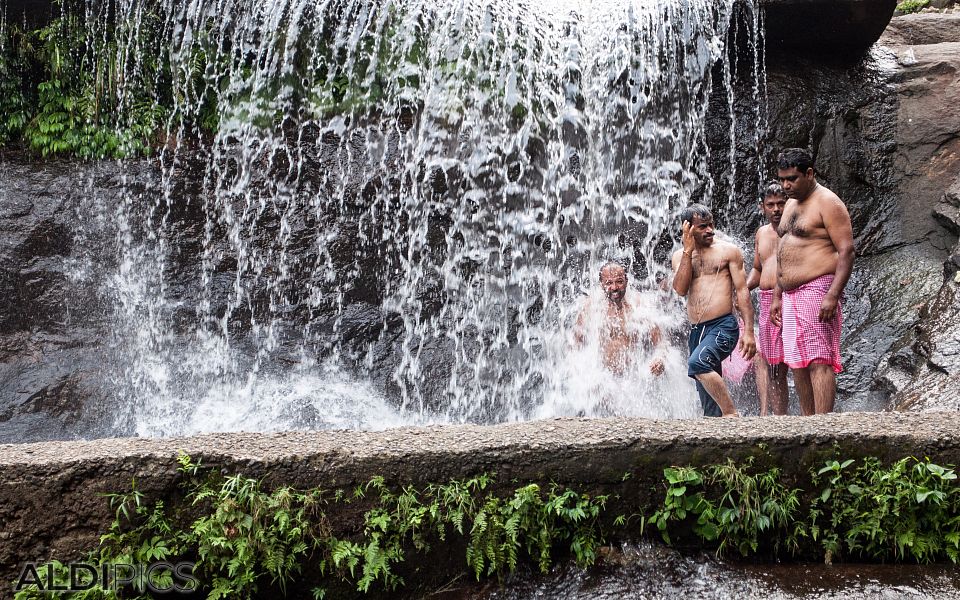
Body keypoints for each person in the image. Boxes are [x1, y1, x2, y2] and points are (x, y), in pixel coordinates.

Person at [770, 148, 855, 415]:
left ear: (809, 173)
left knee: (819, 359)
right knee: (796, 361)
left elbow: (846, 251)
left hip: (817, 288)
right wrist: (776, 296)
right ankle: (808, 425)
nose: (786, 185)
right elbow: (782, 252)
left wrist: (832, 295)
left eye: (792, 179)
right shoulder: (791, 203)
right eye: (782, 179)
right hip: (790, 294)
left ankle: (824, 425)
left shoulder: (828, 202)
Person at [671, 204, 756, 417]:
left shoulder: (728, 251)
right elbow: (681, 290)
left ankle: (731, 414)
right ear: (688, 230)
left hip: (724, 325)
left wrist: (749, 332)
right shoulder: (679, 256)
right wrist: (688, 251)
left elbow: (742, 292)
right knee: (706, 398)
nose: (710, 230)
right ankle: (717, 429)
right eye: (702, 227)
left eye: (711, 225)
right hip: (697, 331)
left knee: (698, 363)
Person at [574, 262, 666, 378]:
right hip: (603, 379)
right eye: (609, 283)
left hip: (634, 378)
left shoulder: (639, 306)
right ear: (601, 284)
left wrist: (659, 358)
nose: (614, 287)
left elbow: (660, 341)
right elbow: (575, 345)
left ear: (626, 281)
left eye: (619, 281)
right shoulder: (590, 308)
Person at [746, 182, 789, 416]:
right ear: (762, 207)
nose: (776, 209)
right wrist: (741, 289)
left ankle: (813, 418)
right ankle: (780, 418)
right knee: (774, 366)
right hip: (764, 301)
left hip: (789, 297)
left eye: (780, 203)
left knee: (800, 362)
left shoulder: (795, 229)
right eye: (770, 205)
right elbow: (757, 269)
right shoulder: (761, 233)